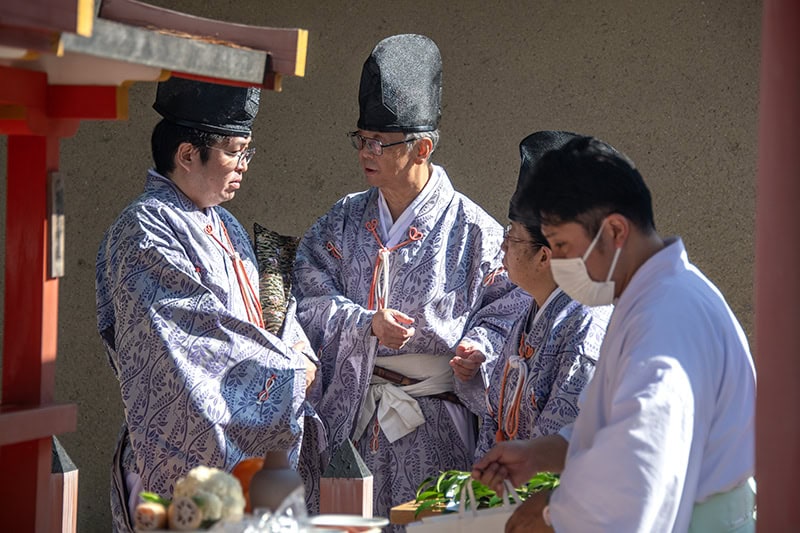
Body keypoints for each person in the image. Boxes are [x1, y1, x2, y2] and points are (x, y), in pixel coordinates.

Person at [292, 34, 528, 525]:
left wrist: (479, 349)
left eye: (380, 142)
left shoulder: (475, 231)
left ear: (422, 147)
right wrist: (364, 325)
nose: (366, 151)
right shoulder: (339, 222)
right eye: (361, 138)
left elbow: (512, 307)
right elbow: (306, 299)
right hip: (353, 423)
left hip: (437, 423)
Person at [473, 136, 757, 532]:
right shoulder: (647, 299)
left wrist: (555, 510)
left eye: (564, 246)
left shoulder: (667, 316)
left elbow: (642, 455)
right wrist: (541, 454)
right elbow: (615, 426)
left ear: (615, 231)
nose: (558, 262)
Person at [96, 77, 319, 531]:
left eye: (246, 152)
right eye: (235, 151)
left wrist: (296, 348)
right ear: (186, 155)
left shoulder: (227, 225)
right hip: (180, 461)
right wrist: (287, 371)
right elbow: (186, 343)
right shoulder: (145, 229)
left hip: (247, 465)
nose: (244, 165)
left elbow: (269, 315)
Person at [476, 131, 612, 459]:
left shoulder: (586, 325)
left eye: (513, 237)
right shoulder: (531, 311)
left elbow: (562, 448)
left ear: (545, 256)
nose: (503, 246)